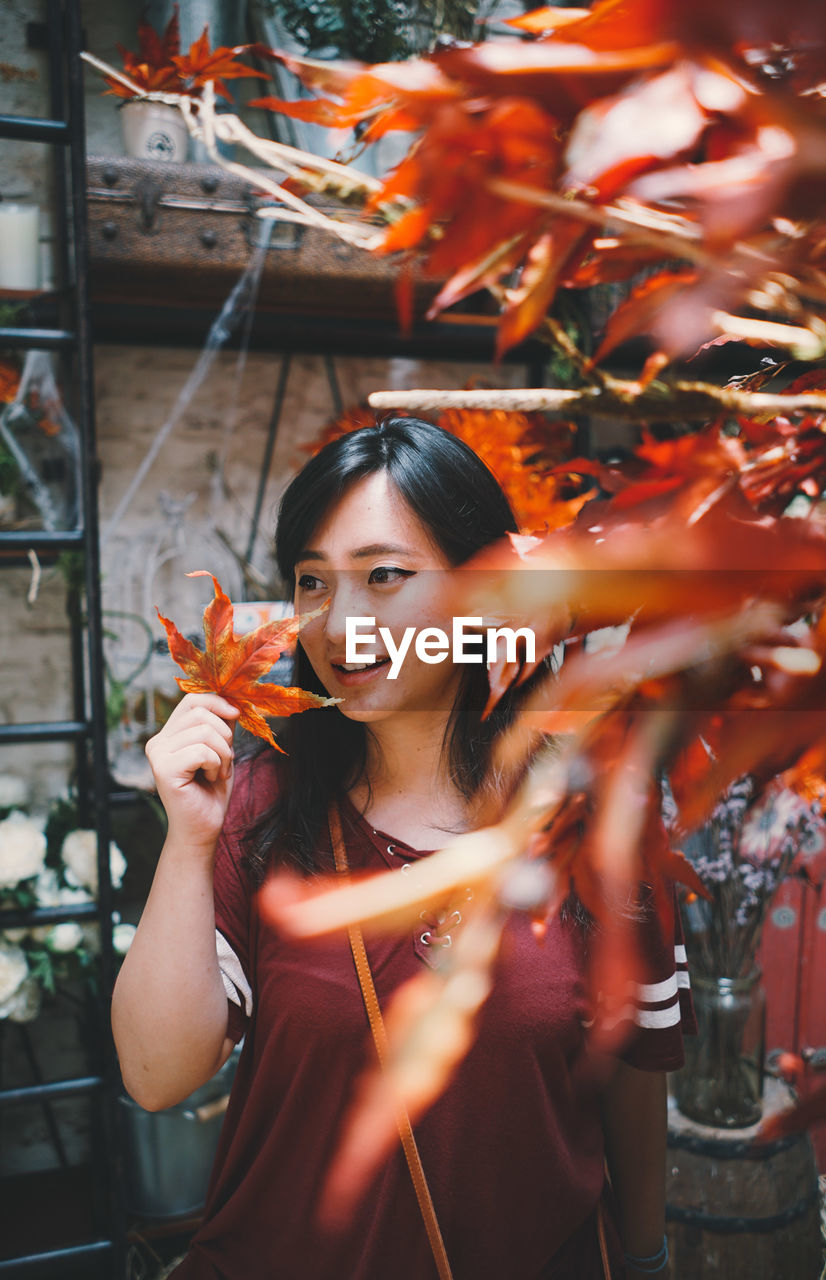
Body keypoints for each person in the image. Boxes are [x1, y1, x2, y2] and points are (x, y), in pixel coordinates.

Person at [112, 416, 693, 1280]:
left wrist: (643, 1258)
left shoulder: (597, 816)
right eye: (313, 582)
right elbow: (158, 1075)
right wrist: (189, 839)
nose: (342, 620)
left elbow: (636, 1070)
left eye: (385, 575)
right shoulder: (261, 806)